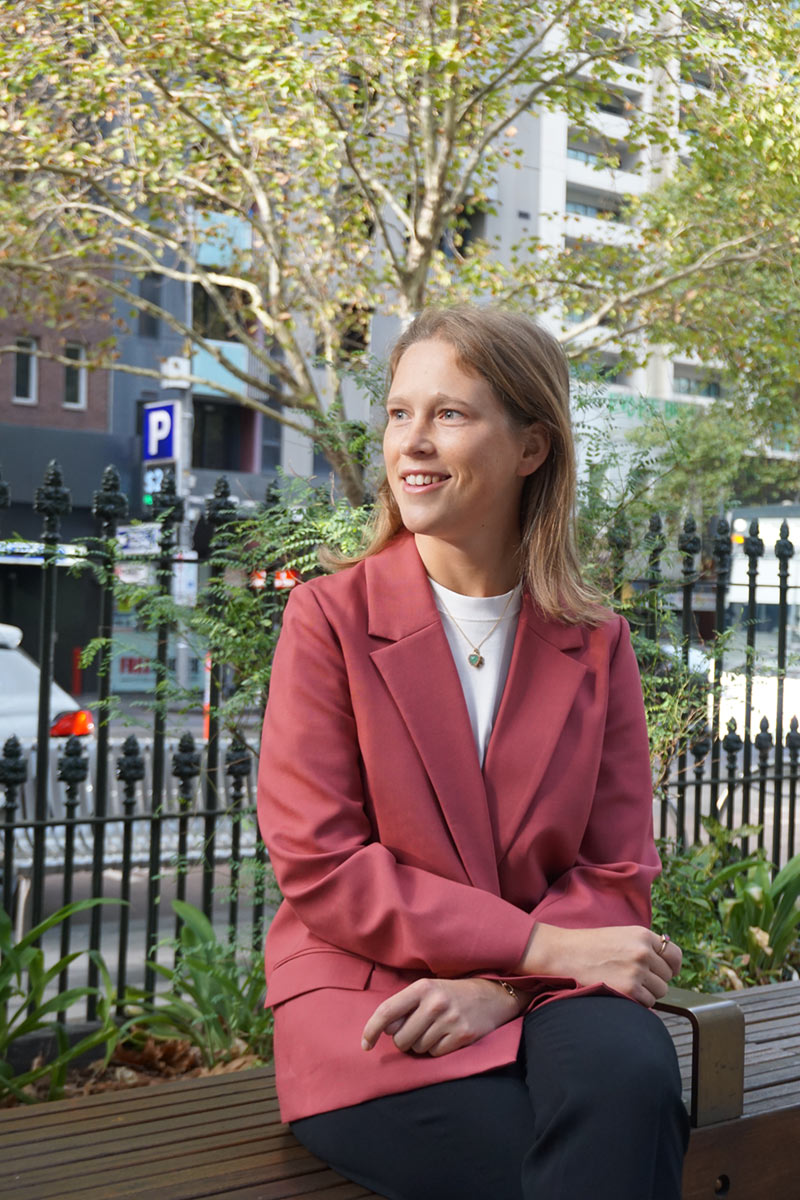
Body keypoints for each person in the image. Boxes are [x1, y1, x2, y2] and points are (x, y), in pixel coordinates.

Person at [257, 305, 689, 1200]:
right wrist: (536, 947)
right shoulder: (329, 619)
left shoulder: (596, 641)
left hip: (549, 989)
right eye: (398, 413)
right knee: (551, 1156)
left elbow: (615, 866)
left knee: (634, 1081)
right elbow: (324, 864)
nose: (411, 442)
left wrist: (506, 985)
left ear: (531, 447)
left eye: (449, 414)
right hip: (377, 1000)